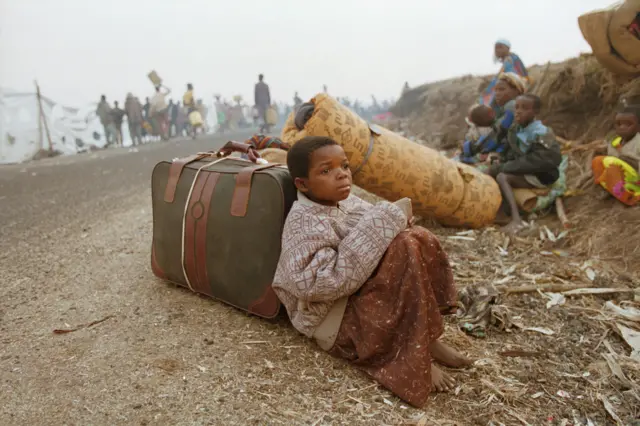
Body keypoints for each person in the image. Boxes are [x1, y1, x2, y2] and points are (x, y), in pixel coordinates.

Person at [272, 136, 472, 408]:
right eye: (326, 171)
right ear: (302, 184)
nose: (341, 174)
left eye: (344, 166)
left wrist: (393, 223)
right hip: (330, 317)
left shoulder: (346, 202)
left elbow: (377, 227)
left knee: (414, 238)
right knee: (401, 244)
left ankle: (427, 339)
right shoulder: (303, 222)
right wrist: (384, 225)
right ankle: (415, 353)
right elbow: (321, 285)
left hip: (350, 293)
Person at [487, 95, 562, 233]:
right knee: (490, 171)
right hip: (526, 170)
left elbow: (545, 160)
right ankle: (502, 212)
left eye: (525, 108)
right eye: (517, 107)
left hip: (542, 174)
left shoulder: (541, 132)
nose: (519, 111)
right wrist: (502, 159)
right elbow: (513, 152)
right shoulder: (516, 129)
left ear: (535, 112)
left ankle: (517, 220)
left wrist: (506, 166)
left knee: (502, 177)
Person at [459, 73, 525, 166]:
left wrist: (468, 148)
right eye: (496, 90)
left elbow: (497, 134)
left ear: (516, 91)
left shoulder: (512, 106)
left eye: (502, 89)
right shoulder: (509, 107)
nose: (497, 94)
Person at [592, 106, 640, 206]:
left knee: (612, 166)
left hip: (635, 179)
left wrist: (624, 160)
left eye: (628, 124)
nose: (622, 127)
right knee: (597, 161)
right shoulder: (614, 142)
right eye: (619, 124)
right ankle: (608, 188)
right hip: (620, 176)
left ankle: (630, 198)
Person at [480, 39, 529, 105]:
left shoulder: (511, 59)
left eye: (500, 47)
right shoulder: (508, 59)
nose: (497, 50)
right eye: (496, 48)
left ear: (508, 48)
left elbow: (512, 76)